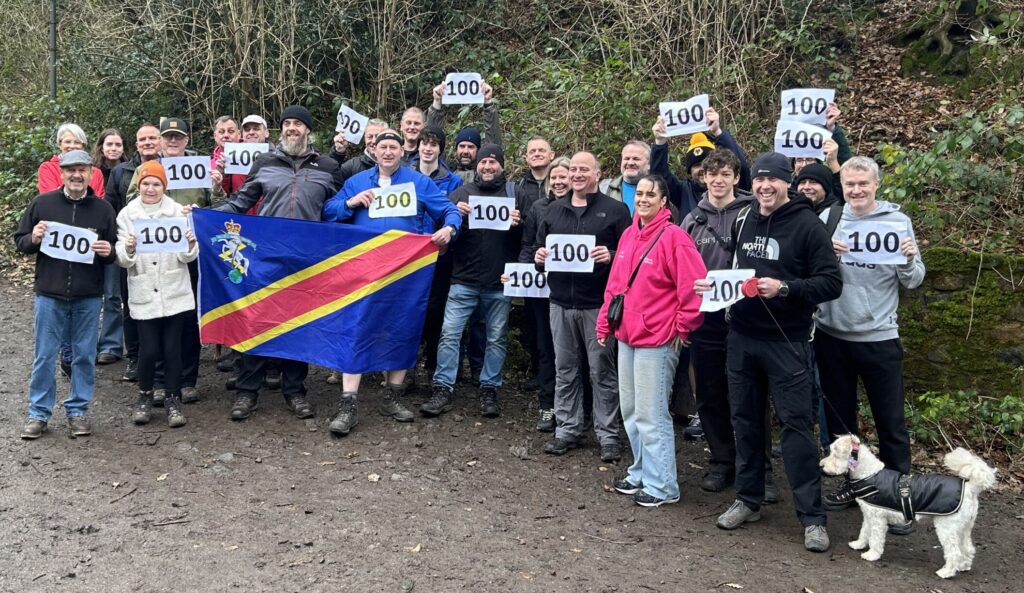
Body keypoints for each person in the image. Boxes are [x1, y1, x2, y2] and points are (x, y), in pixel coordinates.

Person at [706, 152, 841, 553]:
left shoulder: (807, 226)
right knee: (745, 420)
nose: (765, 186)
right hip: (742, 337)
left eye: (773, 181)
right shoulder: (746, 218)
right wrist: (713, 290)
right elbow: (735, 272)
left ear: (789, 184)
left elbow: (831, 283)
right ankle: (748, 500)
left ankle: (812, 518)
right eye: (759, 180)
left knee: (797, 428)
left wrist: (784, 288)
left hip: (788, 343)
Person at [322, 129, 460, 435]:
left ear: (402, 152)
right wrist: (351, 203)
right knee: (357, 329)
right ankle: (348, 403)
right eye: (382, 146)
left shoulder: (419, 182)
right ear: (373, 149)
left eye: (393, 147)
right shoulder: (356, 182)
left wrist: (449, 229)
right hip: (363, 271)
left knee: (401, 329)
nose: (387, 152)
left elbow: (449, 210)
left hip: (405, 273)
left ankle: (392, 396)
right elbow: (328, 212)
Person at [814, 157, 925, 528]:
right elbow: (811, 273)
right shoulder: (829, 219)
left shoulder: (896, 222)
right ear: (841, 186)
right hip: (832, 337)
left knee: (890, 423)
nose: (856, 190)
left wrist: (909, 259)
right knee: (840, 423)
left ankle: (899, 499)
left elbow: (914, 279)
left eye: (863, 183)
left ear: (877, 184)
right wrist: (826, 256)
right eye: (850, 184)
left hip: (879, 338)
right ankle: (853, 485)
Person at [215, 105, 344, 421]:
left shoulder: (327, 166)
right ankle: (247, 392)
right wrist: (206, 214)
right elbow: (241, 201)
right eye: (286, 123)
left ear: (308, 131)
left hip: (306, 261)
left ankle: (295, 392)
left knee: (298, 326)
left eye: (297, 124)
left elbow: (340, 210)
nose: (291, 128)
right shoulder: (265, 161)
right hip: (265, 256)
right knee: (256, 322)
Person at [597, 174, 706, 507]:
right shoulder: (630, 234)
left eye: (650, 194)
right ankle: (642, 470)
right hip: (628, 335)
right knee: (630, 410)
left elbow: (694, 285)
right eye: (639, 193)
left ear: (663, 201)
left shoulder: (675, 238)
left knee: (652, 412)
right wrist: (605, 322)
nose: (643, 198)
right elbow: (616, 285)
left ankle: (663, 485)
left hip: (658, 339)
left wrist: (683, 327)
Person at [535, 151, 632, 462]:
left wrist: (612, 254)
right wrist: (538, 259)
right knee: (565, 369)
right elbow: (540, 251)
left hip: (598, 305)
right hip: (560, 302)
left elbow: (631, 257)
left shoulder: (616, 211)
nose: (576, 174)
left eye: (583, 169)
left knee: (602, 369)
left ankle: (608, 435)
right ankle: (567, 428)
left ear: (597, 174)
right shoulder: (553, 210)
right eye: (573, 169)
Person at [421, 144, 529, 419]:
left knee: (496, 338)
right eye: (484, 163)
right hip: (463, 280)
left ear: (502, 166)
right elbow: (442, 235)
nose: (488, 167)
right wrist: (456, 217)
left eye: (494, 162)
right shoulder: (461, 194)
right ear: (477, 166)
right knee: (450, 335)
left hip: (500, 282)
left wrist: (520, 223)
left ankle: (489, 387)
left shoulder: (516, 195)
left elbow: (530, 239)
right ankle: (443, 387)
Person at [15, 150, 116, 440]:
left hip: (87, 294)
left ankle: (77, 411)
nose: (76, 175)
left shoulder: (103, 209)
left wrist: (108, 252)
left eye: (82, 169)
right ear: (61, 173)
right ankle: (38, 413)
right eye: (70, 169)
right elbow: (20, 241)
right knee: (44, 356)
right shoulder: (42, 204)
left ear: (90, 173)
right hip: (50, 292)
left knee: (84, 356)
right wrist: (33, 237)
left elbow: (112, 249)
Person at [680, 148, 756, 493]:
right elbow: (680, 268)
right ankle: (722, 460)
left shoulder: (753, 213)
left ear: (737, 178)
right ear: (704, 178)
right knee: (710, 393)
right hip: (706, 317)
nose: (718, 180)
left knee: (750, 393)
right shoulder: (692, 219)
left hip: (746, 317)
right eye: (712, 175)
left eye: (725, 174)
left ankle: (758, 467)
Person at [115, 161, 198, 428]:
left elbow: (187, 256)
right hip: (144, 292)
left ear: (165, 186)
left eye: (156, 184)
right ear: (138, 186)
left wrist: (190, 243)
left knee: (172, 349)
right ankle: (145, 395)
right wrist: (128, 249)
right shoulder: (127, 215)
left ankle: (173, 399)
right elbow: (122, 260)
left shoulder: (178, 212)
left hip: (174, 291)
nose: (150, 189)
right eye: (146, 184)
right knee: (148, 350)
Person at [515, 156, 570, 431]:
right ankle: (548, 406)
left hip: (574, 292)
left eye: (564, 176)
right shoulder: (538, 207)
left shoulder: (583, 208)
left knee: (572, 353)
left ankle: (574, 407)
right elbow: (528, 245)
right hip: (541, 289)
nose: (559, 182)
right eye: (555, 178)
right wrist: (523, 274)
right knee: (545, 347)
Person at [106, 123, 162, 382]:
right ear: (136, 144)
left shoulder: (174, 166)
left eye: (153, 138)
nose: (148, 142)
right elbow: (111, 206)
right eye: (143, 139)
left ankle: (162, 356)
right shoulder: (120, 171)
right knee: (130, 303)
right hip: (132, 247)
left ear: (160, 141)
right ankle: (135, 358)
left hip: (165, 249)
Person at [411, 124, 464, 384]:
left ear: (440, 149)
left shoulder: (453, 180)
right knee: (408, 311)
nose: (428, 148)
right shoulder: (403, 174)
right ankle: (405, 368)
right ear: (418, 146)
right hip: (407, 257)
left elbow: (451, 216)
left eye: (433, 144)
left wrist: (448, 237)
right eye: (424, 143)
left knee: (435, 312)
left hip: (439, 257)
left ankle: (432, 366)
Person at [650, 107, 749, 215]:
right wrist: (660, 142)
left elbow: (740, 167)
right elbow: (658, 177)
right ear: (689, 171)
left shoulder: (732, 187)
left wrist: (718, 132)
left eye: (707, 163)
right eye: (696, 165)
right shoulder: (682, 192)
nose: (702, 168)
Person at [90, 128, 129, 366]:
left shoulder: (127, 173)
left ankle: (111, 345)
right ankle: (85, 343)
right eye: (109, 144)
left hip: (115, 240)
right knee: (89, 294)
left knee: (113, 294)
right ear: (101, 146)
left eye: (118, 144)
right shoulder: (89, 171)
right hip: (90, 238)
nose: (113, 149)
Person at [426, 80, 502, 183]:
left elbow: (493, 143)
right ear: (455, 149)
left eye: (471, 147)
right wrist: (437, 102)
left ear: (479, 150)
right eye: (462, 146)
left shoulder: (485, 172)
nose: (465, 151)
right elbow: (432, 139)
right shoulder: (444, 170)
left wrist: (488, 103)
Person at [37, 123, 107, 197]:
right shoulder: (48, 168)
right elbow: (50, 199)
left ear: (83, 146)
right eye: (67, 142)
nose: (72, 146)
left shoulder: (95, 172)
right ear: (60, 144)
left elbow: (97, 201)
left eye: (77, 142)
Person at [330, 118, 389, 187]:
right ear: (365, 139)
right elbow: (330, 178)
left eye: (378, 136)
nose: (374, 141)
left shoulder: (398, 163)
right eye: (369, 137)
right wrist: (337, 153)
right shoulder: (353, 166)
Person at [599, 141, 650, 215]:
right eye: (627, 158)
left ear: (649, 164)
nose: (630, 163)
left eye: (636, 159)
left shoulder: (658, 190)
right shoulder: (604, 187)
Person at [209, 115, 245, 197]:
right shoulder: (210, 166)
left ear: (239, 134)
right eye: (221, 132)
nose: (226, 135)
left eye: (231, 131)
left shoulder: (251, 157)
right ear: (215, 136)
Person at [516, 137, 555, 204]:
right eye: (532, 151)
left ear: (551, 155)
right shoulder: (518, 185)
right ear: (527, 157)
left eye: (541, 150)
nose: (536, 154)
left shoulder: (561, 182)